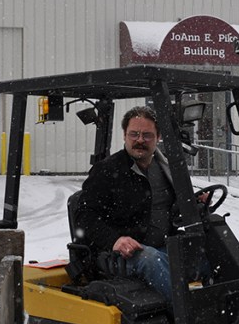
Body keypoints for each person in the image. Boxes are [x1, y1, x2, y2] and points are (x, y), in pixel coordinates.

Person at [74, 106, 191, 301]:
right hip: (119, 254)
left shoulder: (165, 168)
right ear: (125, 135)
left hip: (163, 244)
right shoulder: (108, 171)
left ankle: (229, 309)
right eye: (134, 134)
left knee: (205, 249)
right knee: (150, 259)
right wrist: (115, 240)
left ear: (158, 137)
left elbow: (172, 205)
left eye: (147, 135)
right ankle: (190, 319)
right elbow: (84, 216)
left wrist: (194, 201)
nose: (139, 140)